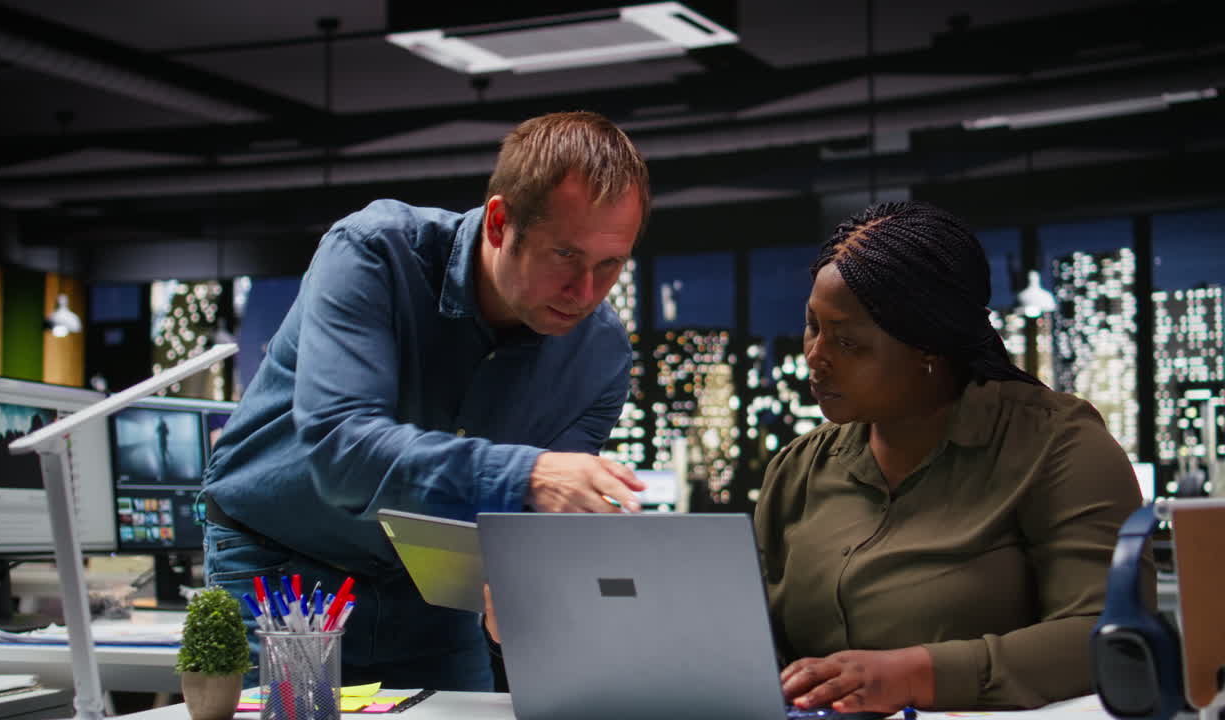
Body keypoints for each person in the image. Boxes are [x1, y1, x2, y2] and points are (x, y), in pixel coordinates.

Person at [201, 111, 651, 691]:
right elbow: (343, 452)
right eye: (565, 256)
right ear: (499, 223)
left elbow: (539, 524)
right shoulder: (374, 254)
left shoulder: (601, 355)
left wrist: (536, 576)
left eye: (609, 264)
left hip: (435, 590)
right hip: (282, 566)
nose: (585, 292)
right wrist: (530, 473)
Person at [754, 200, 1149, 712]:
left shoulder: (1056, 446)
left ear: (928, 348)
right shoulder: (799, 470)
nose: (815, 356)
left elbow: (1108, 637)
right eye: (813, 326)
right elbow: (755, 636)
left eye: (848, 341)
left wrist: (917, 674)